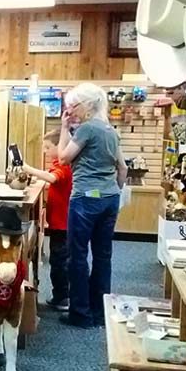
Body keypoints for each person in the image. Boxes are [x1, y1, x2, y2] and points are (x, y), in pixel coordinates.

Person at [55, 83, 126, 328]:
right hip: (110, 199)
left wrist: (64, 128)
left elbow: (62, 157)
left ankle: (80, 314)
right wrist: (112, 192)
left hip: (85, 199)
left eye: (74, 106)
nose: (71, 111)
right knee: (103, 256)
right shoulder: (111, 130)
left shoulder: (86, 129)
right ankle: (100, 312)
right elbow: (123, 169)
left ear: (88, 105)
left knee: (77, 256)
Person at [21, 130, 73, 311]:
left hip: (63, 224)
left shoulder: (65, 165)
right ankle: (60, 295)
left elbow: (52, 177)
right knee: (58, 259)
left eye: (48, 147)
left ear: (61, 146)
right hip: (60, 222)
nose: (45, 151)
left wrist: (28, 169)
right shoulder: (58, 163)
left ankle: (63, 297)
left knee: (60, 261)